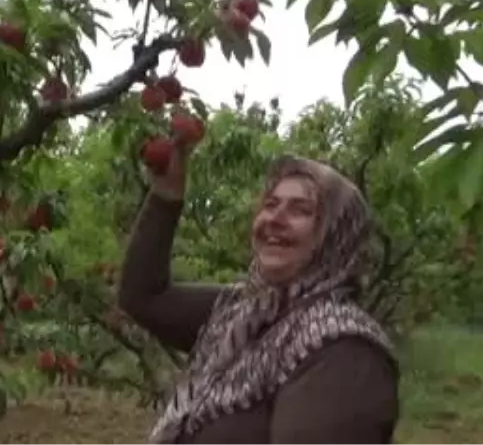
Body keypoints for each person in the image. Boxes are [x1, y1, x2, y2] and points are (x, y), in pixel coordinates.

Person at [117, 137, 399, 445]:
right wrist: (166, 193)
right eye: (270, 204)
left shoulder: (344, 352)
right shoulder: (242, 312)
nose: (275, 219)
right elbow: (144, 297)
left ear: (338, 234)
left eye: (301, 210)